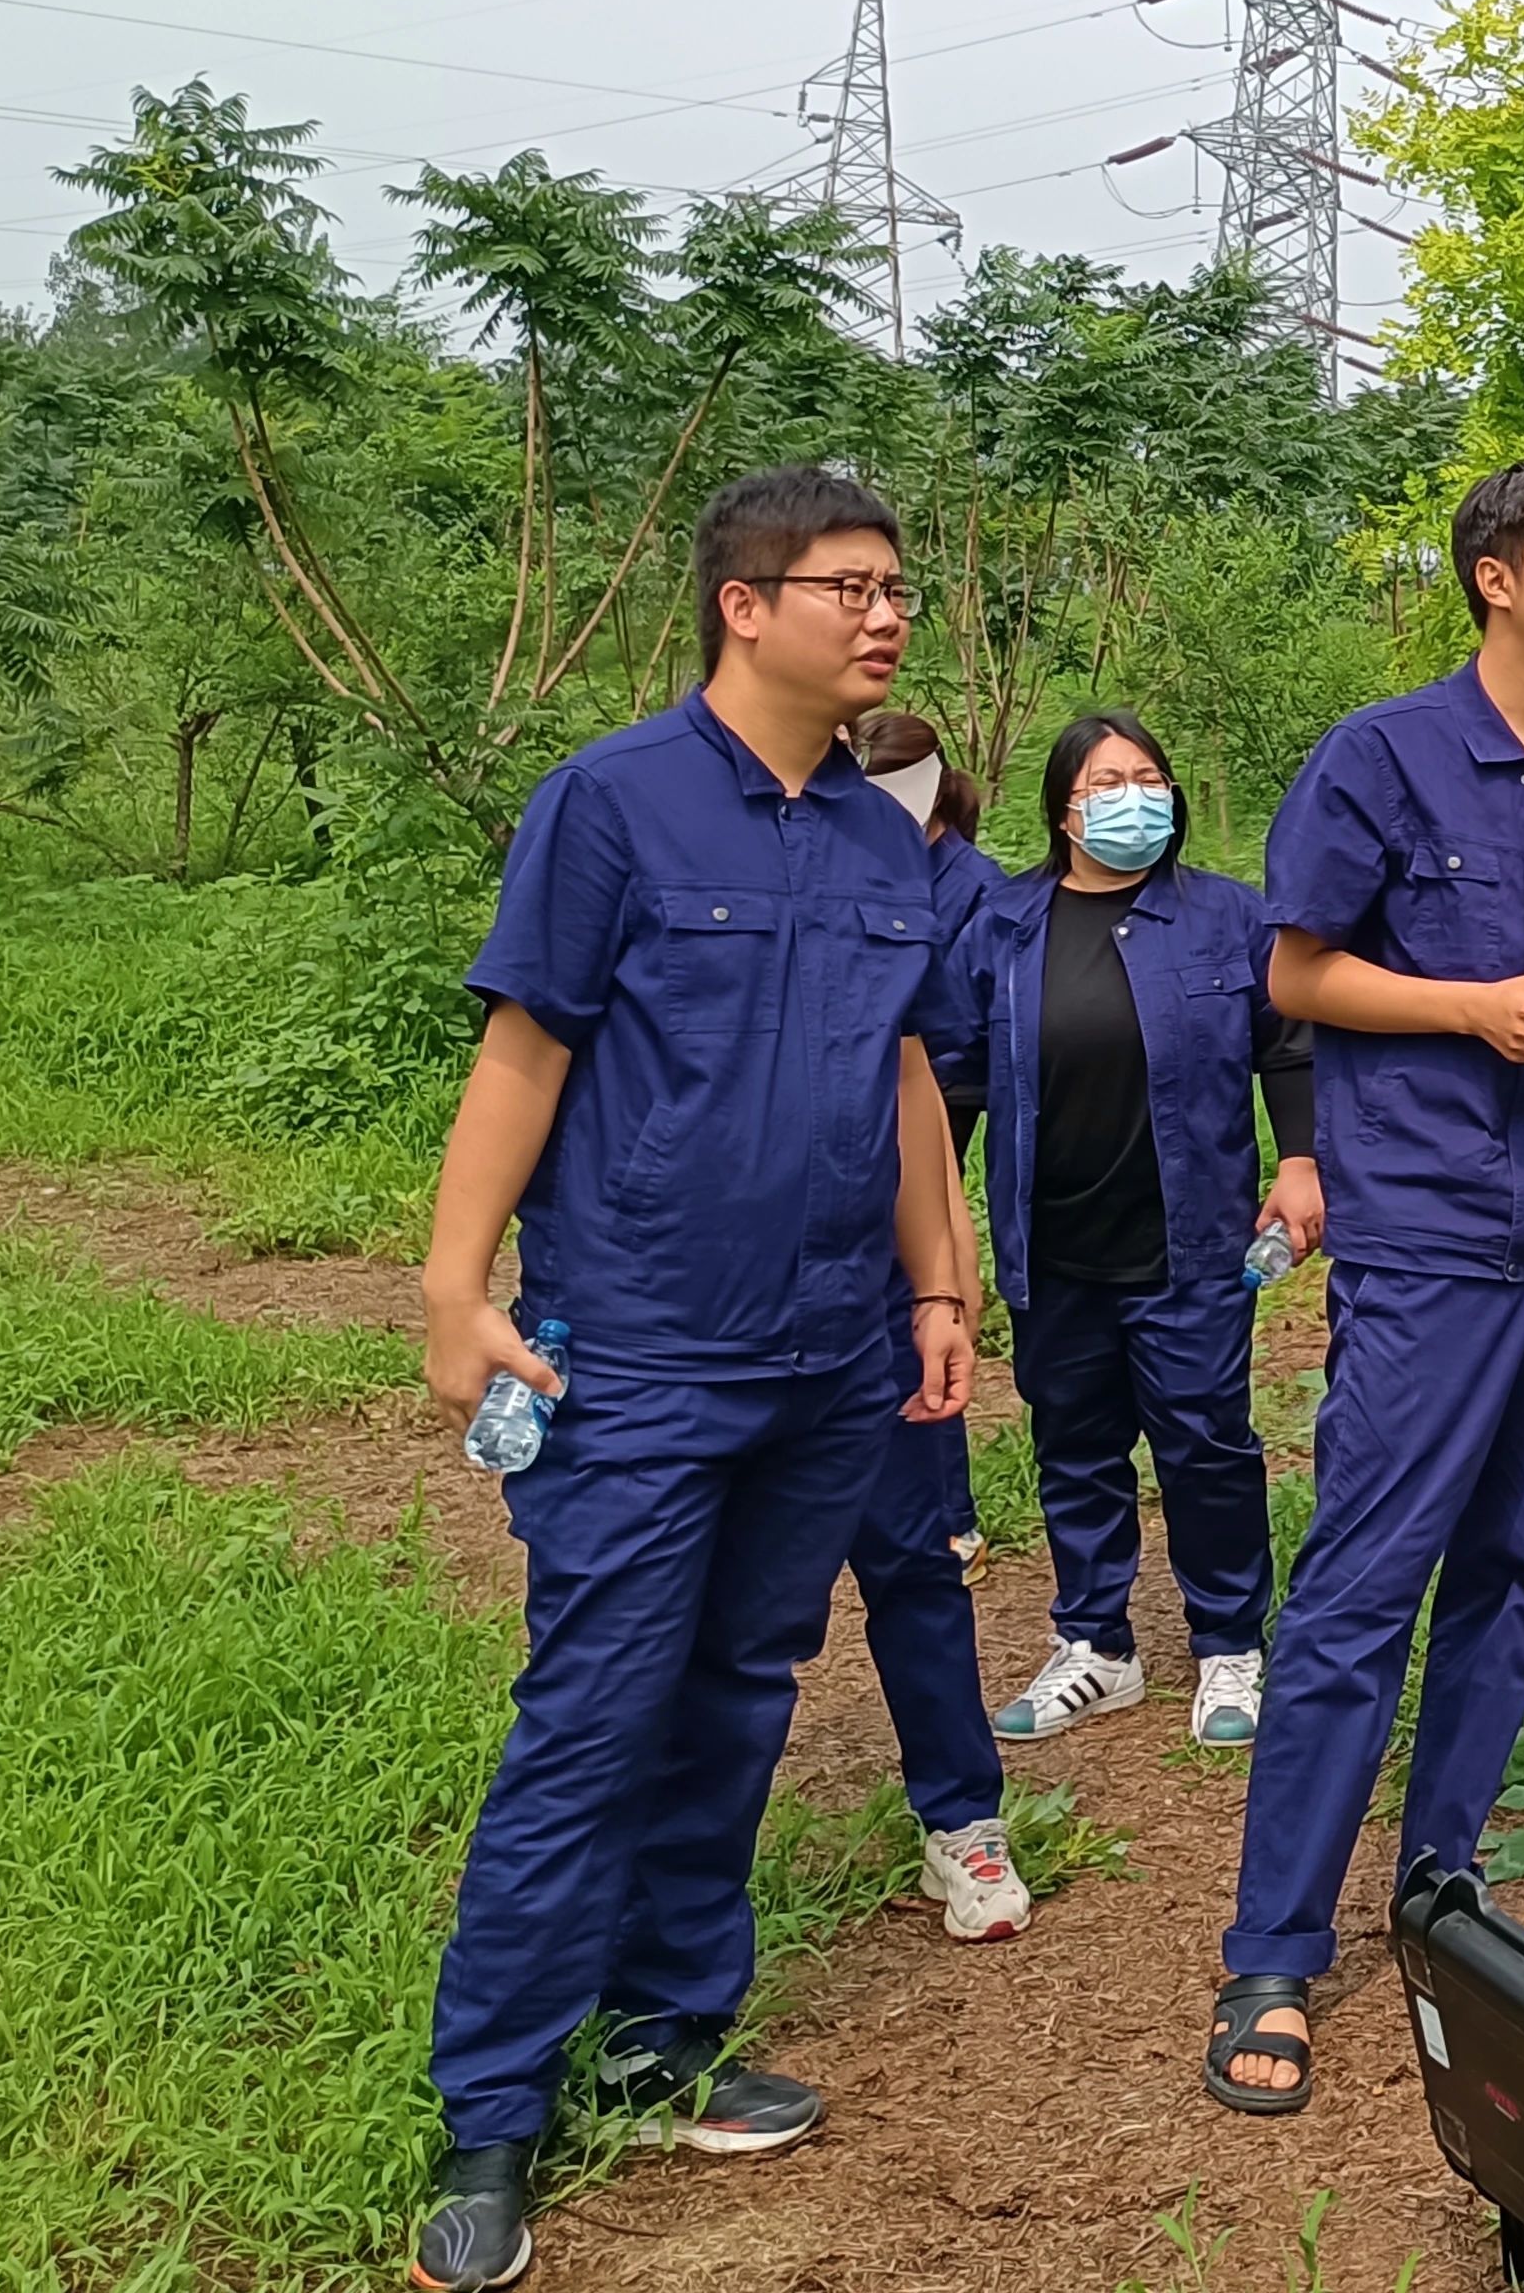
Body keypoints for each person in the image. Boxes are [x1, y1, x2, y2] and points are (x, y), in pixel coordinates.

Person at [407, 468, 980, 2293]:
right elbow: (527, 1046)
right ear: (745, 603)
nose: (886, 615)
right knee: (595, 1711)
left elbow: (904, 1076)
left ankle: (666, 2037)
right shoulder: (614, 801)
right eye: (848, 586)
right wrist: (454, 1286)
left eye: (896, 587)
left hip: (827, 1350)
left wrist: (938, 1282)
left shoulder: (887, 839)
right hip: (644, 1349)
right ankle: (492, 2113)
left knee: (739, 1692)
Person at [1205, 460, 1524, 2119]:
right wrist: (1469, 1005)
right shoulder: (1382, 755)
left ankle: (1441, 1888)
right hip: (1427, 1231)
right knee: (1364, 1580)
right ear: (1496, 576)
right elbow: (1298, 970)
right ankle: (1274, 1949)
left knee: (1511, 1572)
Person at [953, 709, 1322, 1755]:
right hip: (1053, 1244)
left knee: (1206, 1444)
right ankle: (1095, 1643)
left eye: (1150, 779)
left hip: (1189, 1241)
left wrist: (1302, 1162)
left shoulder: (1226, 918)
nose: (1135, 799)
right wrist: (930, 1230)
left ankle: (1229, 1643)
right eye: (1109, 782)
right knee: (1074, 1445)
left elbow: (1290, 1046)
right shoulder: (1002, 926)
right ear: (1064, 809)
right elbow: (952, 1080)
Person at [841, 707, 1029, 1943]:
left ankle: (962, 1818)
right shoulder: (632, 821)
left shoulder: (908, 885)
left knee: (915, 1562)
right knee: (710, 1606)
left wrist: (945, 1290)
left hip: (877, 1285)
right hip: (715, 1303)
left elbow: (923, 1094)